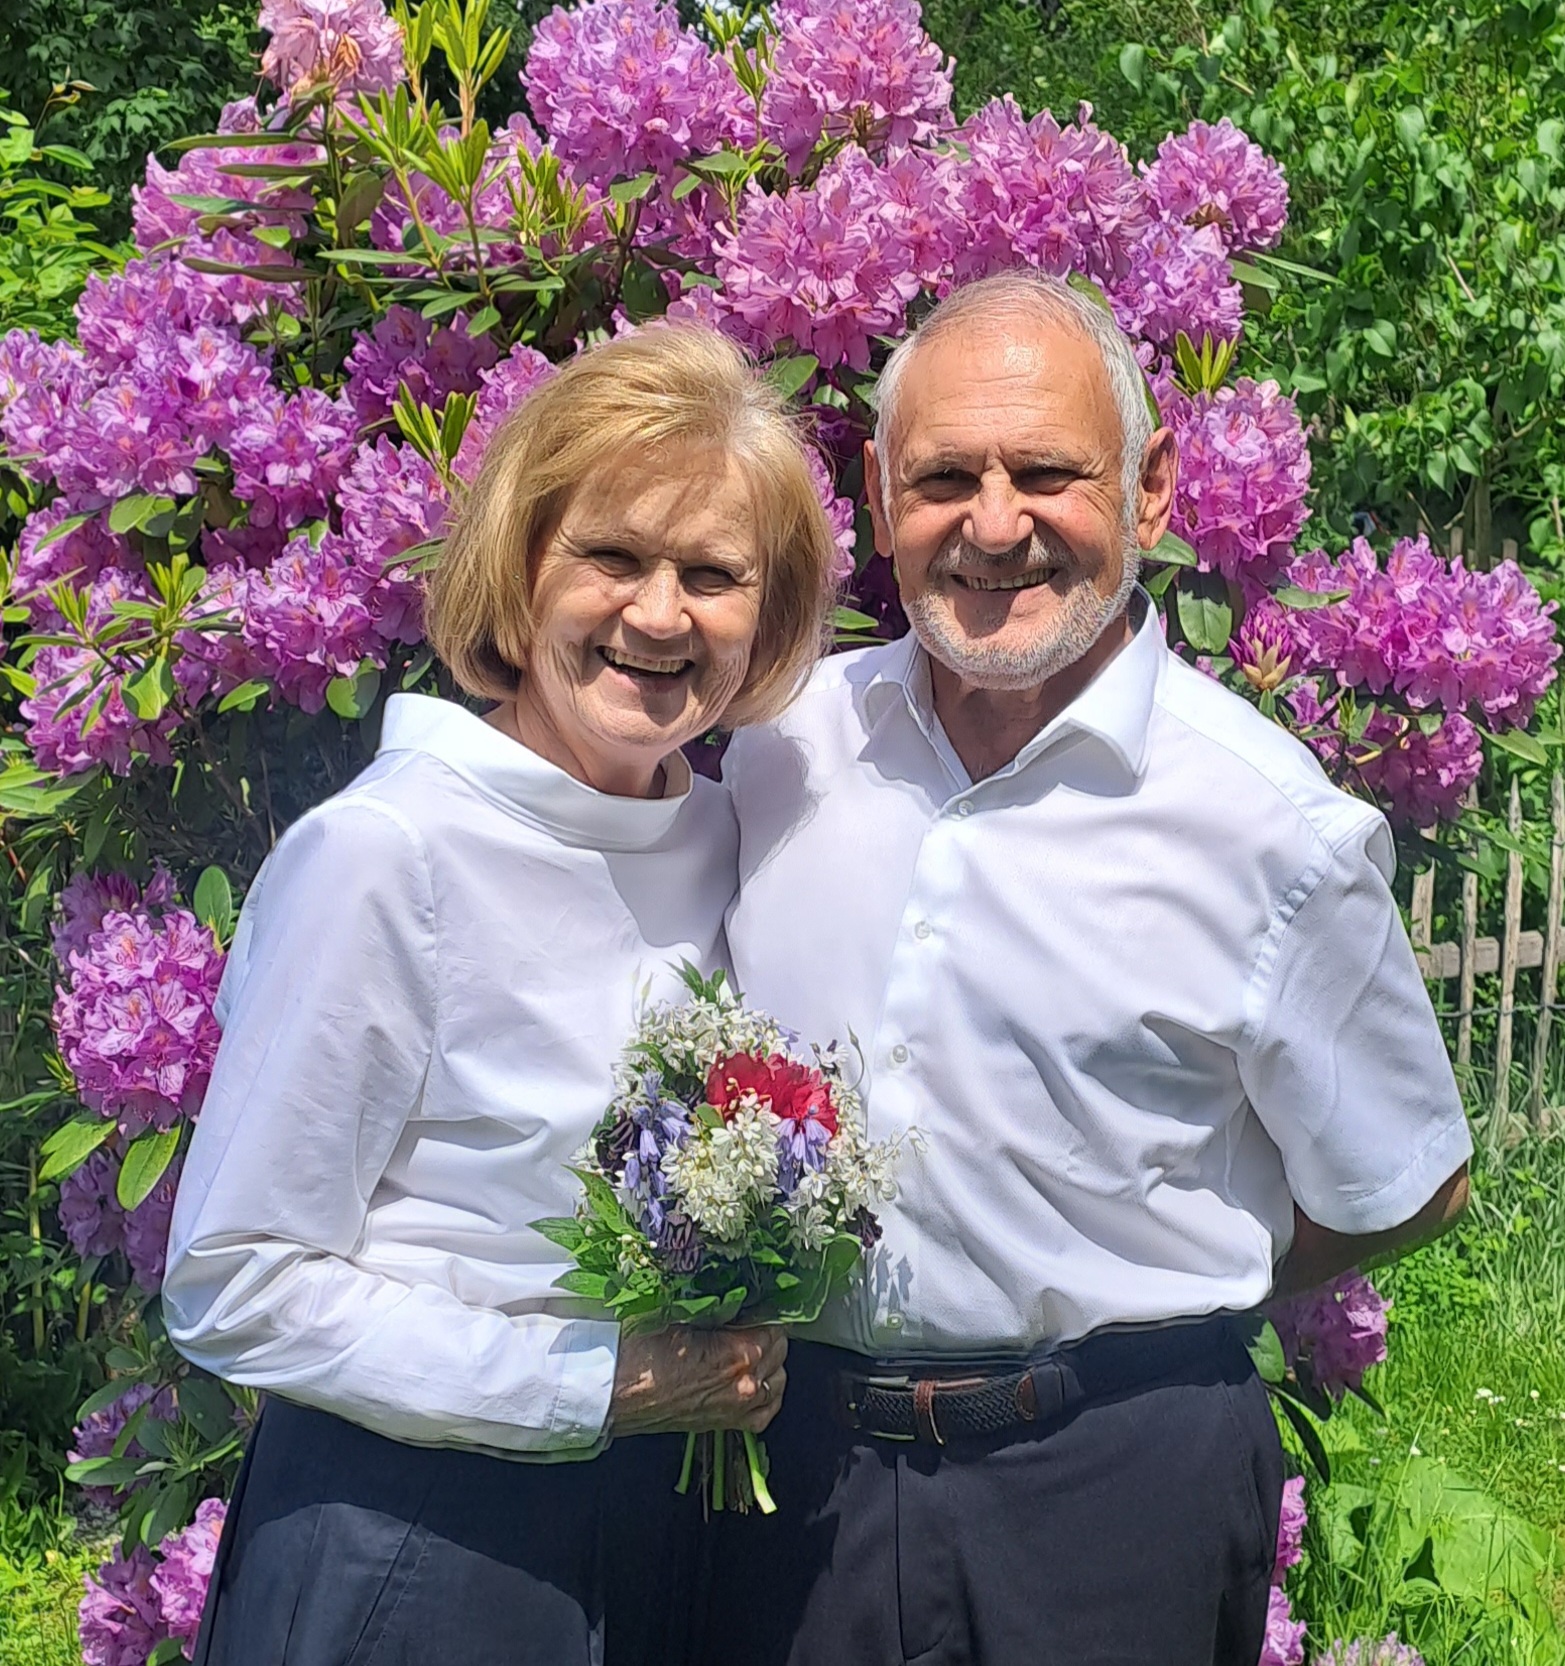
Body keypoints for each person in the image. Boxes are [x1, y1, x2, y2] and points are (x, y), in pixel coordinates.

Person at [707, 270, 1472, 1666]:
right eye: (944, 478)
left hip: (1116, 1495)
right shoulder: (780, 747)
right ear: (877, 494)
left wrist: (1155, 1282)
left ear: (1151, 489)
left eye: (1046, 473)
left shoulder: (1268, 828)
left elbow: (1408, 1182)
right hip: (791, 1477)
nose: (994, 525)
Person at [161, 325, 838, 1666]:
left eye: (713, 574)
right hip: (418, 1537)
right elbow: (234, 1281)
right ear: (520, 572)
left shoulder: (728, 839)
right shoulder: (386, 855)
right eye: (613, 557)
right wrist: (596, 1383)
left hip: (669, 1531)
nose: (660, 615)